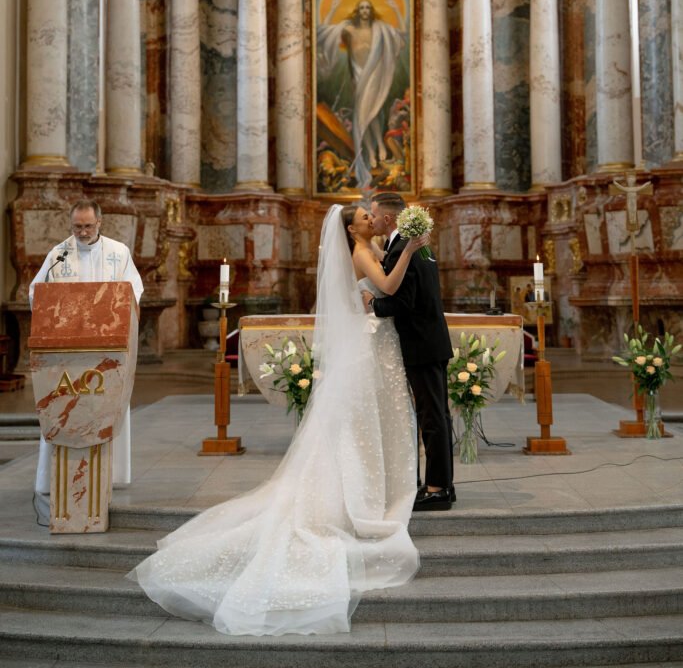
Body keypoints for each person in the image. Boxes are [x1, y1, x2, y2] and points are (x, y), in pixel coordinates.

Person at [129, 204, 422, 636]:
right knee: (356, 423)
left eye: (370, 214)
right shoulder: (362, 253)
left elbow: (382, 273)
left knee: (364, 422)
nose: (370, 218)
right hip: (368, 344)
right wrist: (411, 250)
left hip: (375, 340)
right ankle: (360, 490)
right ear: (349, 228)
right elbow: (389, 284)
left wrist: (399, 244)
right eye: (363, 216)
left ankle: (374, 482)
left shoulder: (370, 246)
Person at [29, 199, 143, 525]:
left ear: (99, 223)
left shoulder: (118, 252)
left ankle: (112, 474)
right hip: (67, 354)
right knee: (61, 407)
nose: (82, 232)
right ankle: (52, 479)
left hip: (107, 352)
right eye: (77, 226)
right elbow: (36, 292)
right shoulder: (59, 254)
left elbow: (134, 292)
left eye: (88, 226)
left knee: (106, 405)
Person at [365, 192, 455, 511]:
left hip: (421, 343)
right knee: (438, 415)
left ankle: (437, 489)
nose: (371, 219)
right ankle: (443, 485)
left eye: (374, 214)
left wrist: (373, 304)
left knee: (432, 417)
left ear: (388, 218)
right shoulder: (412, 245)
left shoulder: (405, 248)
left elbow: (405, 302)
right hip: (430, 340)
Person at [318, 0, 405, 189]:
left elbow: (401, 36)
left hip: (374, 74)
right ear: (357, 12)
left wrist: (396, 10)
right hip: (358, 77)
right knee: (362, 115)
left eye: (367, 7)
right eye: (362, 8)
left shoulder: (380, 29)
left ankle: (378, 147)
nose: (365, 11)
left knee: (373, 112)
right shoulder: (350, 30)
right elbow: (325, 33)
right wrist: (332, 9)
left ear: (371, 11)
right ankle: (373, 150)